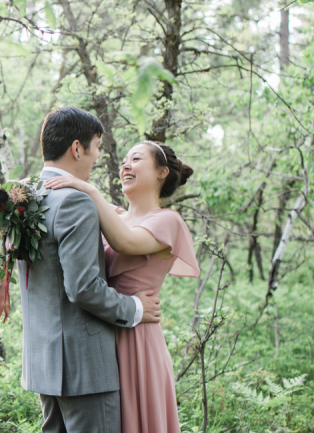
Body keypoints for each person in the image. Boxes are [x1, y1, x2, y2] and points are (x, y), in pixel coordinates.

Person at [19, 106, 161, 433]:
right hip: (85, 368)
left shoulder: (25, 196)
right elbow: (82, 287)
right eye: (96, 146)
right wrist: (136, 308)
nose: (97, 156)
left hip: (44, 363)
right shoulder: (73, 200)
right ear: (77, 148)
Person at [44, 140, 200, 433]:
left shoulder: (168, 220)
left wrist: (88, 189)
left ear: (162, 172)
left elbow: (126, 242)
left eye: (136, 159)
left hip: (138, 340)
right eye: (125, 160)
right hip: (97, 336)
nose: (125, 166)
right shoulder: (113, 215)